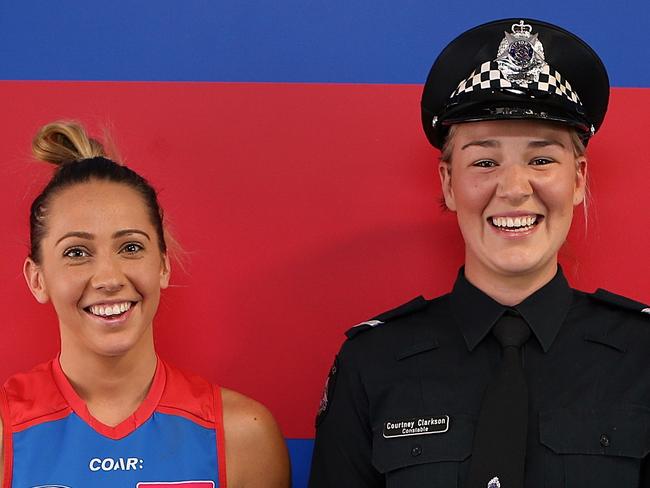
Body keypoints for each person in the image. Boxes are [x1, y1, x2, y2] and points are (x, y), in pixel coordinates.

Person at [309, 18, 650, 488]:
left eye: (542, 159)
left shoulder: (642, 356)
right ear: (449, 183)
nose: (513, 189)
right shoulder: (372, 363)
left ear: (578, 180)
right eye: (484, 162)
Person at [0, 121, 290, 487]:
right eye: (77, 252)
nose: (109, 278)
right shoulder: (6, 433)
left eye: (131, 247)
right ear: (37, 279)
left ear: (163, 266)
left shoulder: (241, 435)